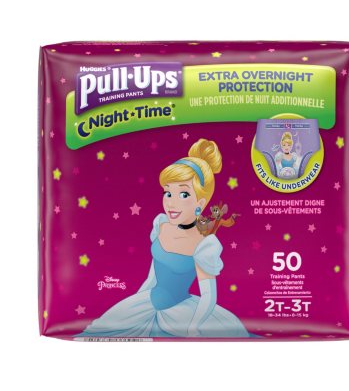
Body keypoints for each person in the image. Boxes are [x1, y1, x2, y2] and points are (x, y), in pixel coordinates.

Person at [74, 138, 249, 338]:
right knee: (101, 331)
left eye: (183, 195)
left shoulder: (203, 244)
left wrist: (193, 327)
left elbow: (208, 296)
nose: (171, 203)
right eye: (168, 193)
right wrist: (135, 304)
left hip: (179, 313)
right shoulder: (162, 225)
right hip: (148, 301)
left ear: (200, 203)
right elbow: (152, 277)